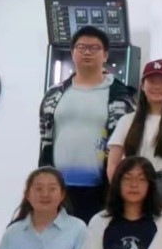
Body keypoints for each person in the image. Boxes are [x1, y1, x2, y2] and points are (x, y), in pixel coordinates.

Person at [38, 24, 137, 226]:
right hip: (57, 189)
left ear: (105, 55)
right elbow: (45, 140)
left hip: (102, 190)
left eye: (94, 48)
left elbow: (129, 145)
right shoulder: (54, 95)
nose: (87, 52)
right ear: (72, 53)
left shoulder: (121, 97)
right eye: (81, 47)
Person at [107, 59, 162, 228]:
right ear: (142, 85)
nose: (157, 87)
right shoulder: (127, 120)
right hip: (134, 185)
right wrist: (120, 192)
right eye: (152, 81)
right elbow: (113, 164)